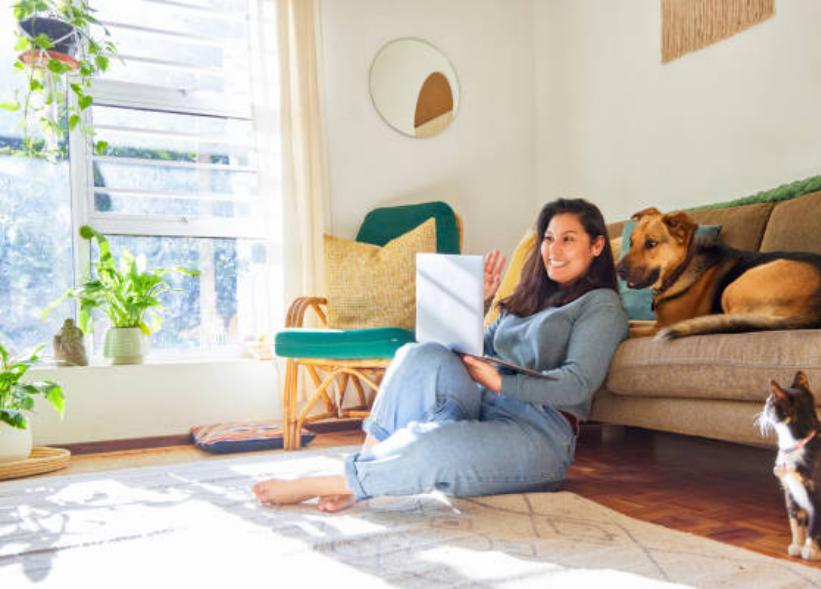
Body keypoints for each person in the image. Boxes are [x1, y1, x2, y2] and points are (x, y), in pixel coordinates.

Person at [253, 198, 629, 512]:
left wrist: (502, 383)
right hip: (480, 403)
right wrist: (475, 299)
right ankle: (366, 468)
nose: (553, 250)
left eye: (568, 239)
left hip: (538, 432)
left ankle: (337, 481)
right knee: (419, 353)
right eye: (548, 239)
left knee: (432, 445)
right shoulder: (525, 300)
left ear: (596, 246)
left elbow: (577, 385)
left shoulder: (601, 305)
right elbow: (472, 350)